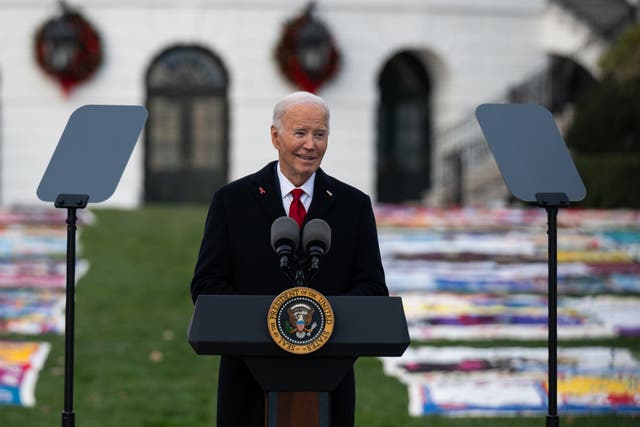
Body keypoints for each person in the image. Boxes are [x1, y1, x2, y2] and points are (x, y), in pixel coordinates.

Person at [191, 91, 388, 427]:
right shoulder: (232, 201)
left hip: (329, 379)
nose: (310, 145)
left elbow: (371, 287)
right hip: (248, 382)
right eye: (300, 133)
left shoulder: (353, 205)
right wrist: (268, 322)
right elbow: (207, 284)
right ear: (275, 136)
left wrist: (321, 321)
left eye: (320, 134)